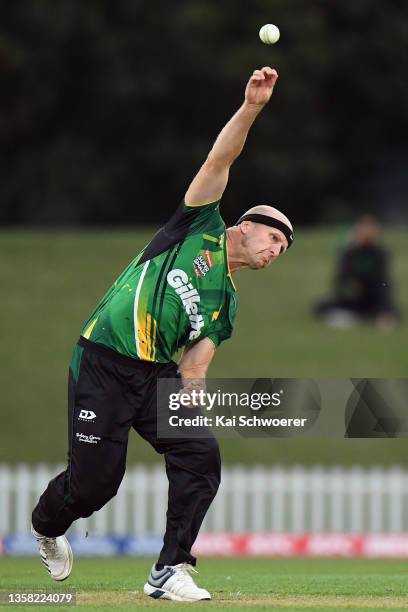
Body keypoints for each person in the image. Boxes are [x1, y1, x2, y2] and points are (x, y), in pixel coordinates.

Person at [31, 66, 294, 602]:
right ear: (244, 225)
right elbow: (221, 159)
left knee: (200, 456)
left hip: (153, 378)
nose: (273, 251)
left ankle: (170, 569)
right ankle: (46, 527)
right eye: (272, 238)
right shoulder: (196, 225)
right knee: (95, 486)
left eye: (281, 251)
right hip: (103, 360)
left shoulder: (226, 304)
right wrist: (253, 108)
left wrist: (192, 400)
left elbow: (196, 363)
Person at [315, 215, 399, 330]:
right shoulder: (349, 253)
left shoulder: (380, 253)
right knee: (322, 306)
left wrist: (385, 307)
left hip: (373, 295)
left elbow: (383, 281)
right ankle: (355, 316)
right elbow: (341, 279)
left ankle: (380, 316)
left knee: (391, 309)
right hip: (354, 297)